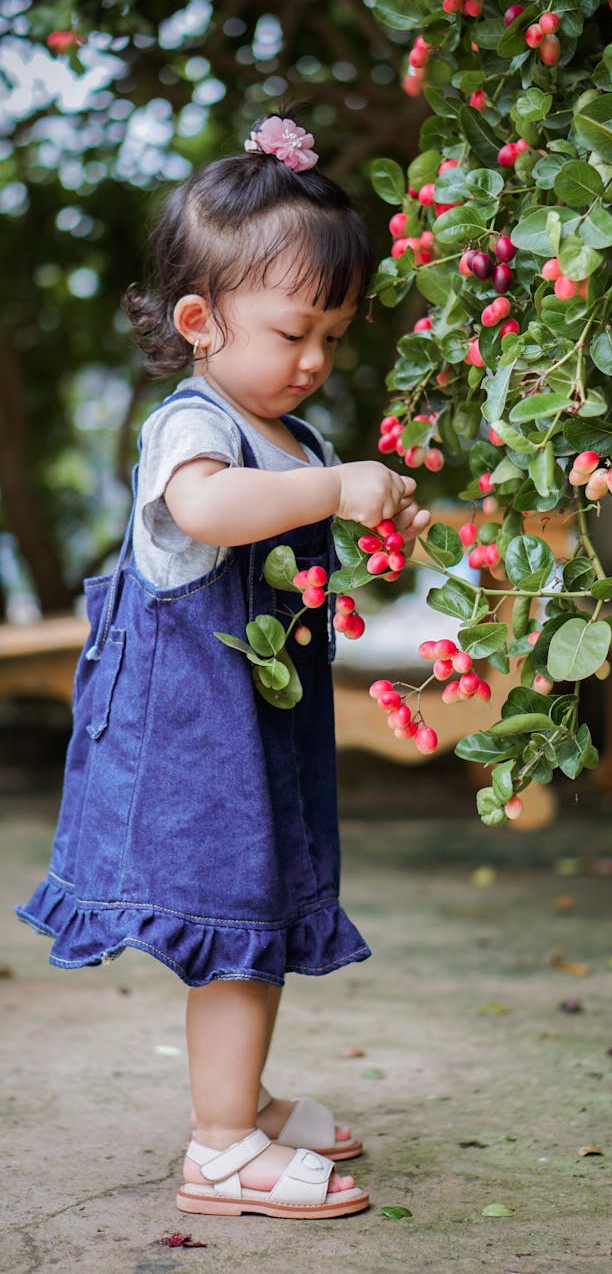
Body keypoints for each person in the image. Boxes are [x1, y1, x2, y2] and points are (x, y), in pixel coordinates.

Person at [17, 115, 430, 1220]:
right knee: (235, 926)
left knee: (270, 909)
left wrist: (370, 500)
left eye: (334, 338)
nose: (314, 359)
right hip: (189, 732)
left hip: (258, 722)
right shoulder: (192, 428)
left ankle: (240, 1097)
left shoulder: (290, 432)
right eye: (296, 331)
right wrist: (336, 488)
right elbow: (208, 509)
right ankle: (219, 1147)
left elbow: (300, 514)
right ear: (200, 322)